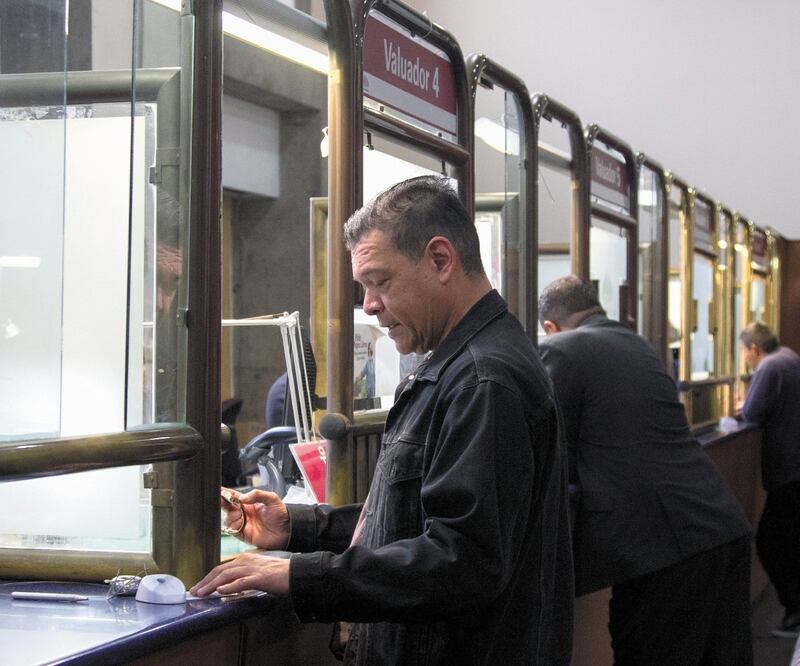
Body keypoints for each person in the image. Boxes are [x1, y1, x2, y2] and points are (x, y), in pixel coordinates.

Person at [192, 176, 574, 664]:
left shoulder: (484, 380)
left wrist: (299, 574)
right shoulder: (461, 366)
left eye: (379, 282)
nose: (369, 305)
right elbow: (416, 519)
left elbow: (461, 561)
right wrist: (296, 529)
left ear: (440, 260)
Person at [538, 275, 752, 665]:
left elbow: (550, 449)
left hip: (660, 549)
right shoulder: (636, 344)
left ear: (549, 327)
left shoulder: (561, 349)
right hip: (721, 523)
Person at [740, 321, 800, 637]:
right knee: (789, 538)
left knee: (770, 541)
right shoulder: (790, 357)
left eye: (744, 353)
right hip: (795, 467)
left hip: (787, 469)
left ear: (753, 348)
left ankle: (794, 609)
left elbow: (750, 413)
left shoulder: (769, 367)